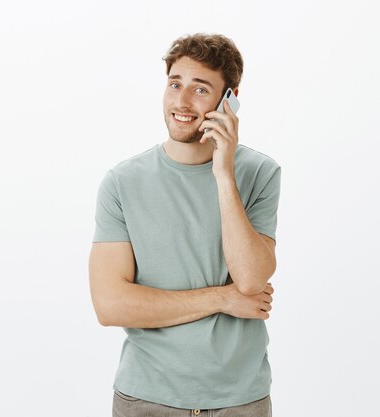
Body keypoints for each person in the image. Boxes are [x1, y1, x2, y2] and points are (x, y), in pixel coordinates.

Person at [89, 33, 280, 417]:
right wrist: (222, 299)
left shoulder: (260, 173)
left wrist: (224, 174)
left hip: (239, 399)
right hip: (145, 398)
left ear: (230, 99)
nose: (181, 101)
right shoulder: (123, 182)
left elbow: (250, 280)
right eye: (175, 84)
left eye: (200, 89)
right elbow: (110, 305)